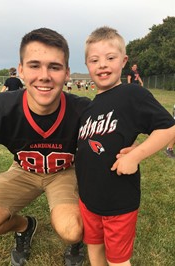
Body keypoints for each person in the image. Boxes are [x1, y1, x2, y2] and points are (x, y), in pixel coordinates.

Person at [0, 27, 91, 266]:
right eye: (34, 65)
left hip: (64, 173)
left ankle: (76, 241)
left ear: (67, 73)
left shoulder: (82, 109)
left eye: (55, 67)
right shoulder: (0, 106)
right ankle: (25, 225)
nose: (44, 75)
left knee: (72, 230)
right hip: (23, 171)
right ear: (21, 70)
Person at [75, 26, 175, 266]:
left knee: (118, 260)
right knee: (94, 247)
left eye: (110, 58)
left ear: (124, 61)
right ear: (87, 65)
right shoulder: (88, 108)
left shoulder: (131, 93)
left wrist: (136, 155)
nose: (103, 65)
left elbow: (168, 128)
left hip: (118, 200)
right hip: (88, 199)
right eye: (94, 60)